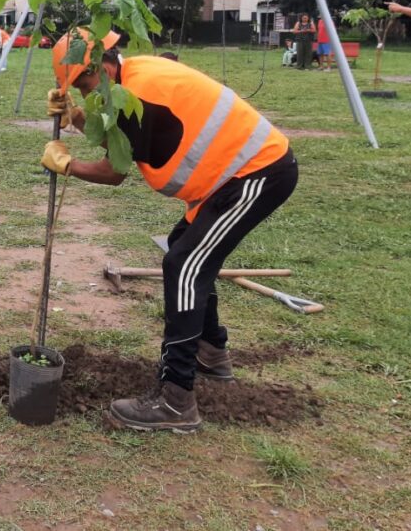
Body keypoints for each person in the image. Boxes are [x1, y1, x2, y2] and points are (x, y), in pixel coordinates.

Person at [43, 29, 298, 432]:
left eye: (82, 83)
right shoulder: (129, 81)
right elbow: (125, 140)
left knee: (184, 266)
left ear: (102, 65)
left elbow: (114, 170)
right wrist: (75, 116)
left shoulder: (138, 91)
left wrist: (67, 164)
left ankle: (176, 399)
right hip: (227, 180)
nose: (82, 90)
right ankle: (210, 353)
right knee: (185, 250)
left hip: (256, 175)